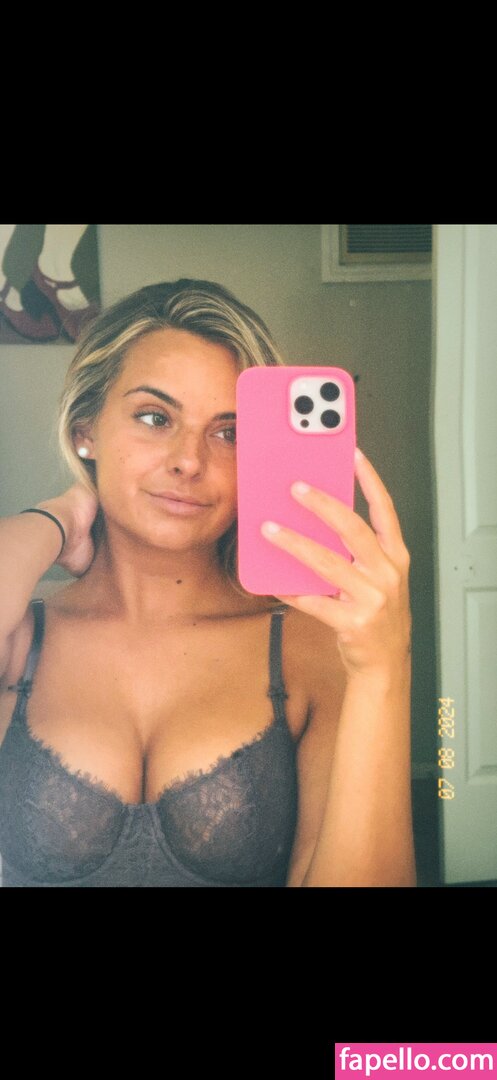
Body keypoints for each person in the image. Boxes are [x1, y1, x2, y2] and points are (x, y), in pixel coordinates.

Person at [0, 278, 415, 887]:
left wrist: (385, 669)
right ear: (85, 430)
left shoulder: (310, 647)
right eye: (154, 417)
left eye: (229, 433)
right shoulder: (18, 637)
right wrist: (55, 518)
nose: (190, 460)